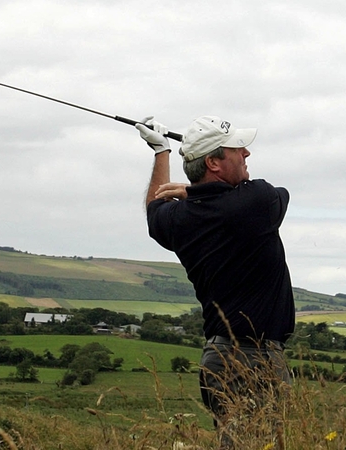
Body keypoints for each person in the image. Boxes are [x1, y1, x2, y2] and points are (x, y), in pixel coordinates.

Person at [136, 115, 295, 449]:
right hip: (255, 359)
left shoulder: (179, 219)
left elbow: (155, 209)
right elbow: (282, 194)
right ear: (213, 163)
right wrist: (193, 190)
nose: (246, 153)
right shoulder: (257, 201)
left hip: (220, 357)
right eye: (237, 149)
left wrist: (161, 152)